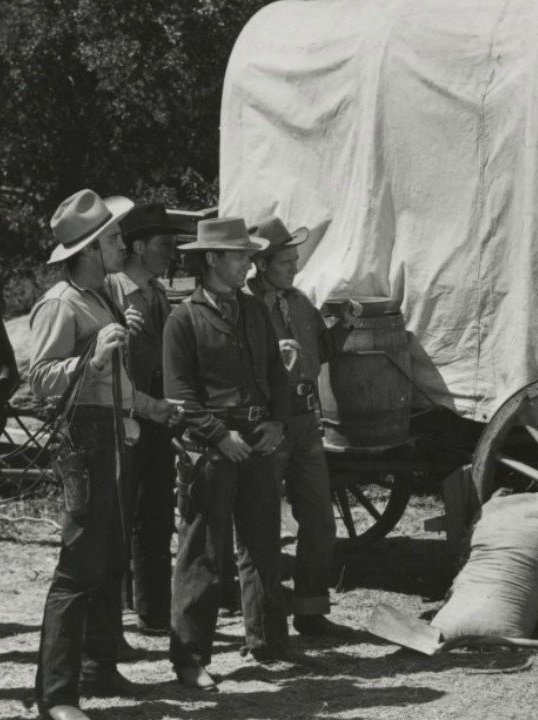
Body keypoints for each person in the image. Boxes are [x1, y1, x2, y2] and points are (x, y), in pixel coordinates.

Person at [28, 189, 178, 720]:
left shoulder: (105, 299)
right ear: (90, 249)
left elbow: (116, 383)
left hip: (116, 433)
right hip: (84, 442)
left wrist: (155, 409)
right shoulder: (60, 303)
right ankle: (55, 697)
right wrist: (91, 359)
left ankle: (99, 667)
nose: (121, 244)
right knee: (76, 567)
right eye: (114, 238)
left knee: (111, 557)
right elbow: (40, 381)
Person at [164, 216, 293, 691]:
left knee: (263, 546)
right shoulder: (184, 318)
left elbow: (277, 371)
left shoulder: (254, 309)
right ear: (212, 259)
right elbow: (178, 395)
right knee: (202, 555)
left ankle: (269, 641)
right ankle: (190, 658)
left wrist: (277, 421)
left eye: (247, 255)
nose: (247, 263)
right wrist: (219, 434)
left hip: (258, 440)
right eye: (239, 255)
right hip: (212, 450)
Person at [245, 215, 359, 636]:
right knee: (262, 527)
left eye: (295, 259)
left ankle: (311, 612)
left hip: (306, 424)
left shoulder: (297, 302)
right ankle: (266, 624)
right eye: (285, 261)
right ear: (261, 263)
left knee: (320, 522)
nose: (294, 267)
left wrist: (342, 328)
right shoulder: (247, 307)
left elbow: (321, 352)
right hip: (269, 425)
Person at [107, 202, 188, 638]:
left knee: (155, 514)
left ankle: (152, 612)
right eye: (164, 244)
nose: (171, 252)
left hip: (157, 417)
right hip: (123, 418)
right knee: (120, 514)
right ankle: (116, 610)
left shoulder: (156, 292)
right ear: (138, 246)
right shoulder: (112, 292)